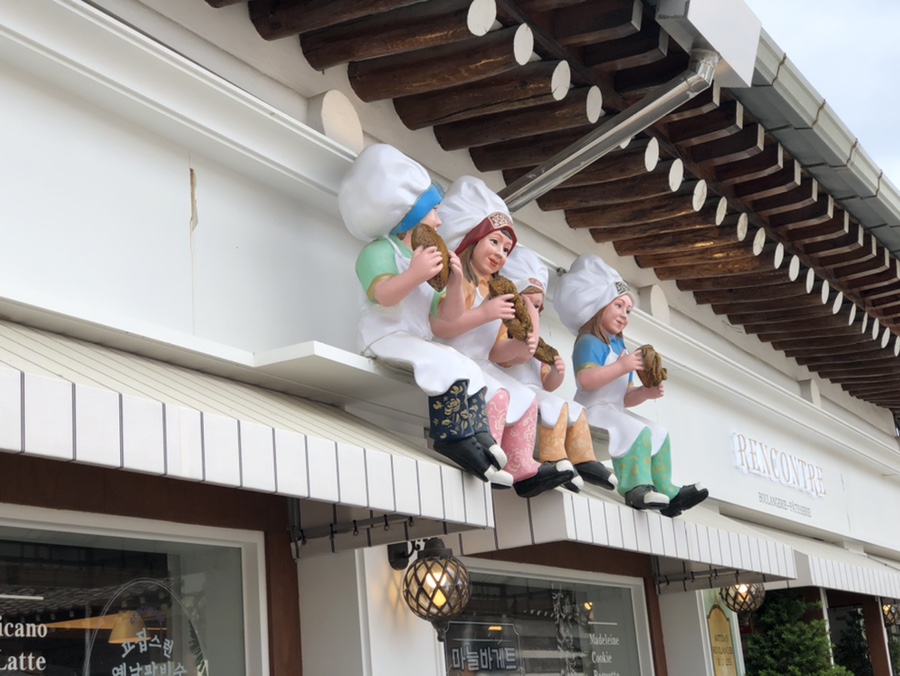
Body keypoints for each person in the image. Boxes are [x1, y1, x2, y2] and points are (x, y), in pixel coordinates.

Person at [338, 144, 512, 487]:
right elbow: (383, 295)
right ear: (411, 213)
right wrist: (415, 274)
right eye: (434, 212)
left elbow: (446, 317)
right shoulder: (380, 250)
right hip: (384, 335)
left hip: (415, 338)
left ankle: (478, 431)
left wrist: (455, 281)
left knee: (465, 364)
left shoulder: (429, 258)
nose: (439, 221)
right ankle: (452, 434)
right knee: (446, 363)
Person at [436, 176, 574, 498]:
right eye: (494, 242)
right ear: (473, 238)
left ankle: (520, 463)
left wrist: (518, 345)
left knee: (525, 398)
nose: (500, 253)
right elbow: (444, 324)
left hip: (481, 362)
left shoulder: (494, 289)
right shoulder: (459, 279)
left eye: (506, 249)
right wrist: (486, 312)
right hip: (455, 355)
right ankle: (488, 452)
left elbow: (495, 350)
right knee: (498, 394)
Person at [554, 253, 707, 516]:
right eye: (618, 306)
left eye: (628, 310)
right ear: (599, 306)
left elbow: (624, 397)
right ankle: (636, 487)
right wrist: (623, 366)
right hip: (591, 411)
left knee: (659, 432)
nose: (624, 315)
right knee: (637, 430)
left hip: (614, 409)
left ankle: (667, 490)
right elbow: (586, 380)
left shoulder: (620, 347)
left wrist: (645, 393)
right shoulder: (590, 341)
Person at [500, 245, 616, 492]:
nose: (536, 313)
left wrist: (556, 372)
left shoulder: (539, 345)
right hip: (511, 385)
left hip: (535, 390)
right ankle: (554, 457)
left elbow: (547, 383)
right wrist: (529, 330)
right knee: (554, 404)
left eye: (539, 308)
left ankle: (582, 459)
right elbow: (510, 359)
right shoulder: (508, 331)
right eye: (531, 304)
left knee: (574, 407)